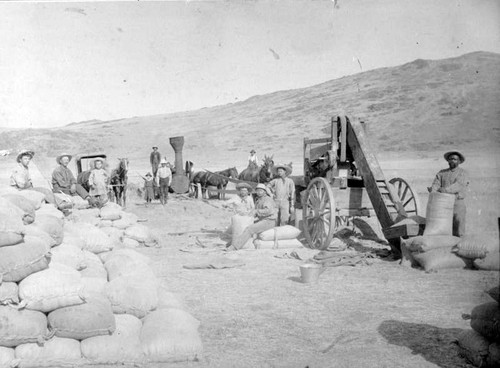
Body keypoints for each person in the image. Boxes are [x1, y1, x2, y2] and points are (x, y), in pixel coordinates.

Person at [428, 151, 469, 237]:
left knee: (458, 225)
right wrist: (433, 190)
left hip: (457, 202)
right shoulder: (442, 173)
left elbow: (458, 185)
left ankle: (459, 244)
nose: (452, 161)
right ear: (447, 161)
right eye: (450, 159)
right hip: (442, 203)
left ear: (459, 161)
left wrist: (445, 190)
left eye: (455, 159)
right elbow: (436, 183)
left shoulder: (463, 173)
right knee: (442, 226)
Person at [231, 183, 277, 250]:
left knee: (250, 229)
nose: (258, 192)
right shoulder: (258, 200)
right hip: (262, 220)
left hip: (269, 221)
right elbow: (253, 211)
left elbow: (268, 211)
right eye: (257, 191)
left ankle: (235, 246)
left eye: (260, 191)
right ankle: (234, 242)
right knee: (244, 224)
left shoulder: (267, 199)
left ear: (264, 191)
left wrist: (256, 211)